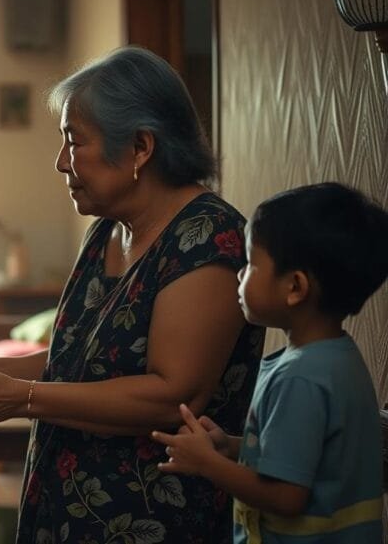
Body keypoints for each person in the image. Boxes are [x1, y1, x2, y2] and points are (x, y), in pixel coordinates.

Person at [0, 46, 265, 543]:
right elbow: (75, 359)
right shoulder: (105, 231)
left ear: (141, 147)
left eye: (73, 142)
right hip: (62, 510)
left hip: (151, 520)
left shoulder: (208, 240)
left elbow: (175, 396)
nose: (61, 163)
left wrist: (22, 398)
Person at [152, 182, 388, 543]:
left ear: (295, 287)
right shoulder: (338, 359)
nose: (239, 274)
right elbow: (306, 456)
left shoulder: (300, 378)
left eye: (251, 264)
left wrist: (208, 463)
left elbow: (285, 496)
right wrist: (232, 446)